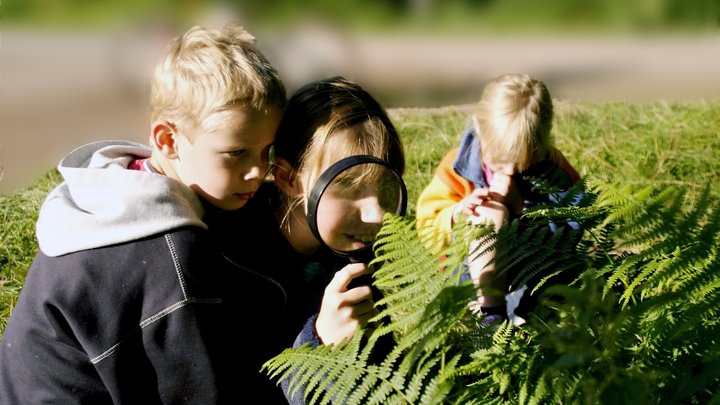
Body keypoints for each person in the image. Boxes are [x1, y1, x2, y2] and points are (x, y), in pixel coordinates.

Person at [0, 22, 286, 404]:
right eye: (237, 153)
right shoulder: (171, 259)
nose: (258, 170)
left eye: (267, 151)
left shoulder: (113, 193)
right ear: (168, 140)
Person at [207, 76, 405, 403]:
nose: (377, 214)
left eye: (384, 187)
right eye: (350, 185)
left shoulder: (358, 256)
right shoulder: (231, 263)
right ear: (288, 179)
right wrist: (320, 343)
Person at [416, 73, 582, 324]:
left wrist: (520, 209)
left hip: (532, 272)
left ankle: (527, 313)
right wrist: (458, 213)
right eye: (496, 160)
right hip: (468, 276)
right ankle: (491, 315)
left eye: (522, 163)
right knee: (489, 214)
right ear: (479, 128)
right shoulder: (457, 167)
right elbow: (428, 227)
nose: (509, 171)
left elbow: (574, 229)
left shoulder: (553, 169)